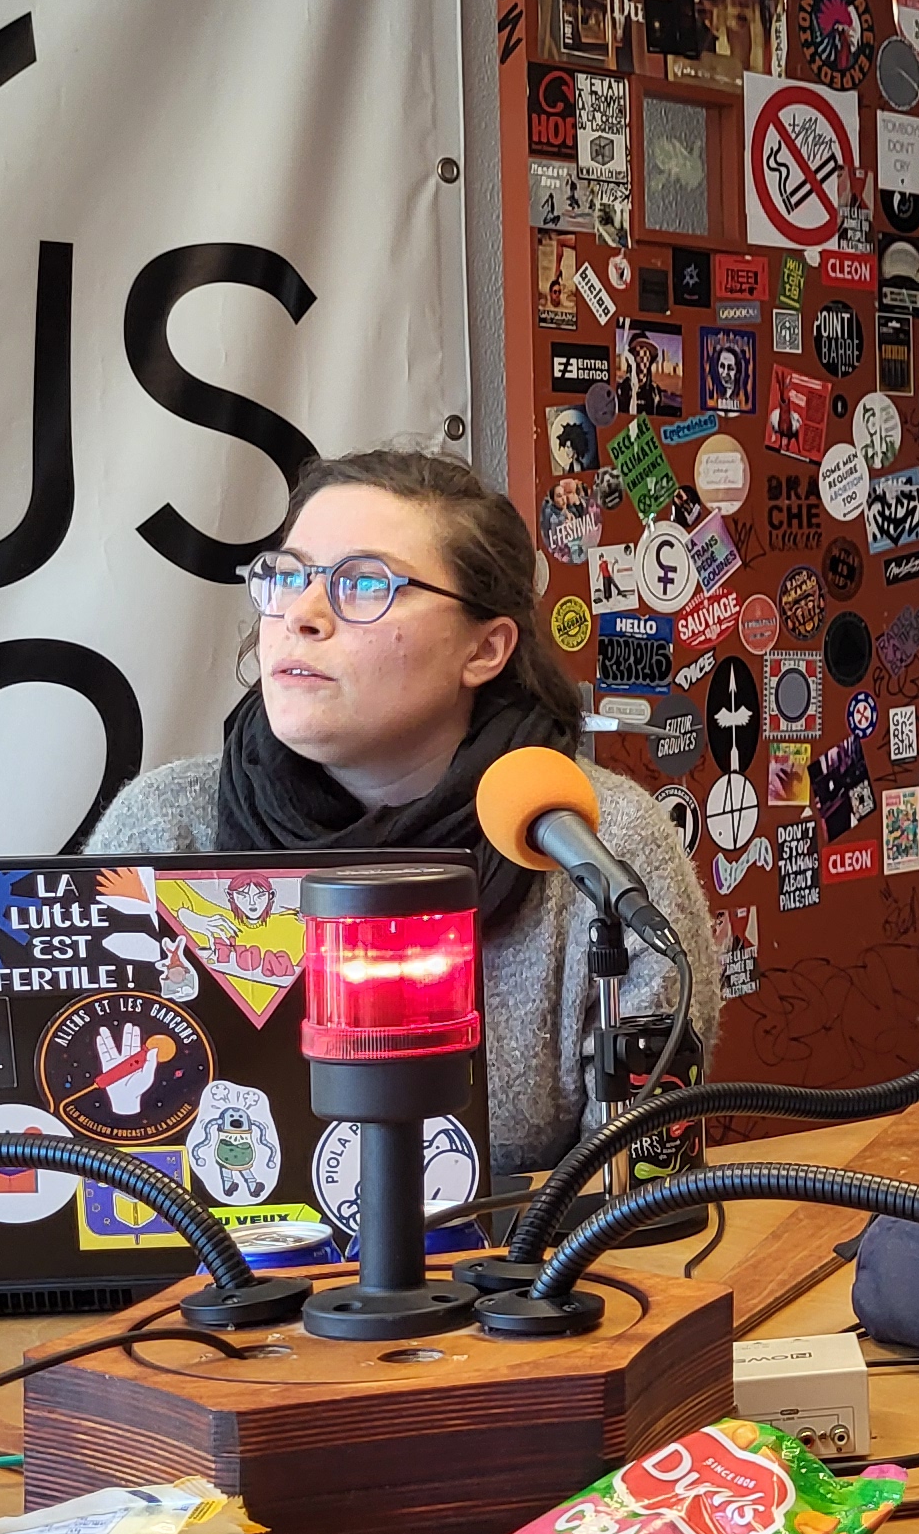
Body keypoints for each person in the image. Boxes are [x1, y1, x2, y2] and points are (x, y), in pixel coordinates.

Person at [92, 446, 715, 1177]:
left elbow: (634, 1191)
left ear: (484, 649)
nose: (301, 616)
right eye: (288, 576)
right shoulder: (161, 829)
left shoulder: (595, 843)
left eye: (364, 584)